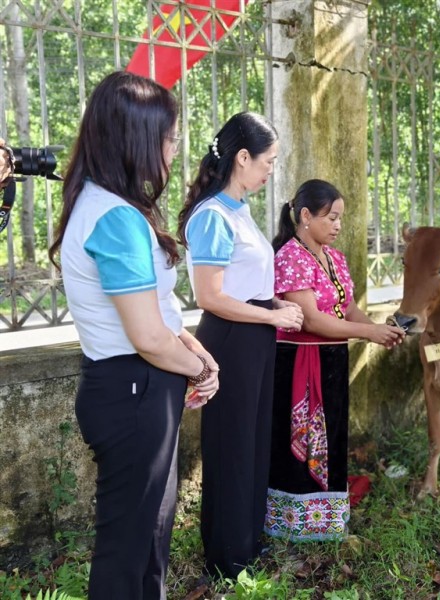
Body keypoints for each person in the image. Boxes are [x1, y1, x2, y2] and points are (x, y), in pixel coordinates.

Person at [48, 71, 219, 600]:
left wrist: (194, 350)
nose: (174, 147)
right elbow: (146, 335)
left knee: (148, 540)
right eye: (169, 136)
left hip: (136, 388)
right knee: (127, 552)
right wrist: (200, 370)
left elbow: (157, 313)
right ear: (137, 139)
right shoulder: (114, 217)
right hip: (133, 391)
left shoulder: (106, 205)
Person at [177, 112, 304, 578]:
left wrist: (272, 305)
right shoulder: (211, 215)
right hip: (230, 337)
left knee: (253, 440)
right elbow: (210, 296)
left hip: (255, 333)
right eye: (268, 160)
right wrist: (270, 313)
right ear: (243, 157)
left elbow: (244, 279)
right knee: (231, 444)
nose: (272, 169)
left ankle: (248, 543)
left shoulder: (240, 209)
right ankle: (226, 558)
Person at [265, 179, 405, 542]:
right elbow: (310, 319)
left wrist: (378, 329)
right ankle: (294, 523)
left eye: (341, 218)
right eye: (331, 218)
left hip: (332, 358)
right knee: (304, 439)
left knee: (331, 434)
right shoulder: (291, 256)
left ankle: (326, 519)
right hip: (299, 361)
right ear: (305, 216)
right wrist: (368, 334)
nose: (338, 226)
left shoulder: (335, 258)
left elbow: (349, 308)